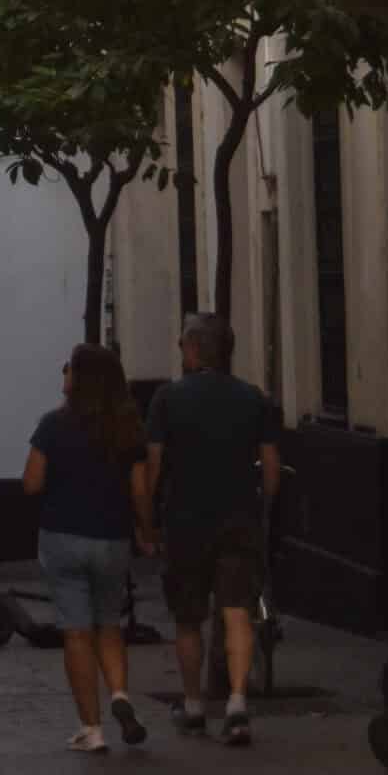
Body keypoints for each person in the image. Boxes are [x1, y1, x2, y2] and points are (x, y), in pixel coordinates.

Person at [146, 311, 282, 748]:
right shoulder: (254, 399)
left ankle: (193, 705)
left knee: (188, 619)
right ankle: (238, 702)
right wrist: (262, 506)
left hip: (186, 521)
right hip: (240, 518)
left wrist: (147, 514)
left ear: (191, 348)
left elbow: (153, 464)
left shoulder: (167, 399)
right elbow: (272, 469)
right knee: (238, 610)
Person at [25, 345, 153, 753]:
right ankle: (119, 694)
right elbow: (139, 490)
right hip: (112, 539)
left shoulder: (53, 425)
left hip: (63, 536)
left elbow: (31, 483)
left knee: (76, 632)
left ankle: (91, 729)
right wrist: (147, 531)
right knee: (109, 624)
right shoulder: (128, 429)